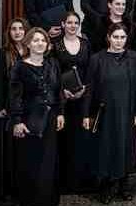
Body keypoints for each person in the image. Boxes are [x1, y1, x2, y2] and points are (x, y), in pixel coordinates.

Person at [82, 23, 136, 204]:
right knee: (106, 148)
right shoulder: (97, 59)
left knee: (125, 147)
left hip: (127, 111)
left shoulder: (134, 58)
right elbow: (89, 89)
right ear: (109, 37)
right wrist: (86, 114)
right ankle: (107, 187)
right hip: (105, 112)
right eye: (115, 37)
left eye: (122, 37)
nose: (119, 41)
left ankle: (124, 185)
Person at [10, 27, 65, 206]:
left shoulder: (53, 64)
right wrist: (17, 121)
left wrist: (60, 113)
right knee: (30, 163)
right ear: (28, 43)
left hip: (50, 119)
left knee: (48, 162)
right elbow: (15, 96)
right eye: (35, 40)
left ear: (47, 44)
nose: (40, 43)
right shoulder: (20, 66)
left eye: (43, 40)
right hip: (29, 120)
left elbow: (58, 92)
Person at [0, 18, 28, 203]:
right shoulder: (2, 53)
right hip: (7, 107)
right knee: (7, 150)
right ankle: (7, 189)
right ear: (8, 32)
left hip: (27, 108)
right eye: (13, 29)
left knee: (24, 151)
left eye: (21, 28)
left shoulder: (32, 51)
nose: (17, 32)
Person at [52, 12, 94, 192]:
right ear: (63, 24)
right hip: (64, 100)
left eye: (76, 23)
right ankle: (65, 183)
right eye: (69, 22)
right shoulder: (55, 46)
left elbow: (90, 70)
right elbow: (53, 72)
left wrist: (85, 89)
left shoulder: (86, 44)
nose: (72, 26)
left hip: (83, 97)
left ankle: (82, 182)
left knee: (82, 139)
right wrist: (63, 91)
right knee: (65, 140)